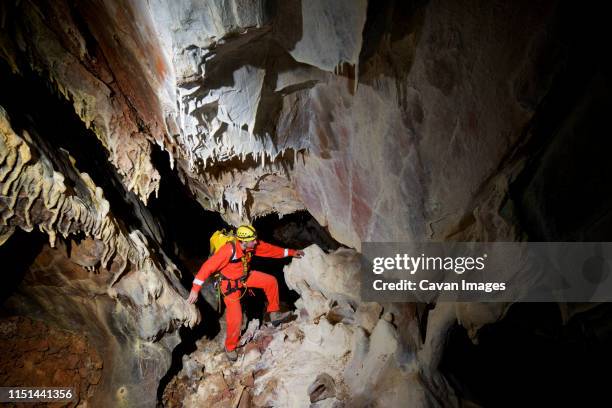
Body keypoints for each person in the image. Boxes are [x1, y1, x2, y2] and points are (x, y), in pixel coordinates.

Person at [187, 224, 304, 361]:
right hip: (229, 285)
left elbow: (269, 250)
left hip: (244, 277)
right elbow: (207, 268)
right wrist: (195, 290)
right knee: (236, 317)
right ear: (243, 241)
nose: (256, 242)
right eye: (253, 240)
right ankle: (230, 347)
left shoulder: (251, 246)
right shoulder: (228, 251)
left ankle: (274, 314)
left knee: (270, 281)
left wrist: (291, 252)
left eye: (255, 239)